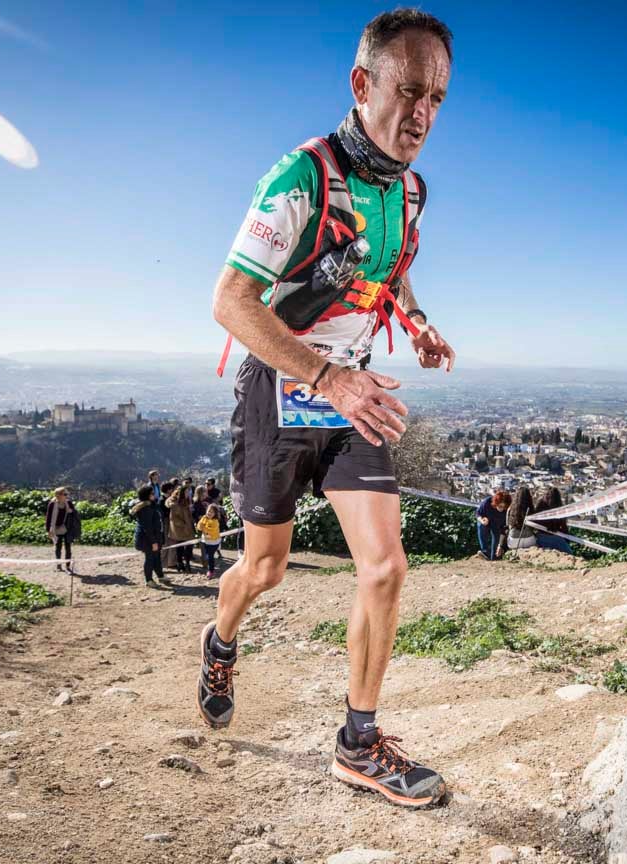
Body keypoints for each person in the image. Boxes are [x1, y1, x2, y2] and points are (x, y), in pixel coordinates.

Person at [197, 8, 457, 809]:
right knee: (265, 568)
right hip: (279, 392)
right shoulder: (300, 176)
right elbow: (231, 301)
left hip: (353, 395)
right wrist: (327, 376)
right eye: (409, 90)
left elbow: (388, 267)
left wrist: (415, 323)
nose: (422, 114)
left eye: (438, 98)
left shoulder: (409, 192)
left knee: (385, 567)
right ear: (363, 83)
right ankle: (220, 639)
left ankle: (358, 743)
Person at [131, 484, 169, 589]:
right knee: (150, 558)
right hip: (147, 539)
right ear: (146, 495)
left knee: (157, 557)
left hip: (156, 537)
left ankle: (160, 576)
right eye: (152, 493)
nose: (155, 495)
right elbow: (147, 527)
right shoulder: (144, 508)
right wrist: (153, 542)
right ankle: (149, 580)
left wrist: (160, 538)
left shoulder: (153, 505)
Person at [44, 487, 80, 573]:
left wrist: (70, 510)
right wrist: (48, 530)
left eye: (67, 494)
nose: (67, 496)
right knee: (58, 547)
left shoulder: (69, 503)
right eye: (65, 494)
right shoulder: (52, 504)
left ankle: (68, 566)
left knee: (68, 548)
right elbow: (48, 518)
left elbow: (74, 513)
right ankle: (59, 565)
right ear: (58, 495)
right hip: (55, 528)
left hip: (67, 528)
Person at [531, 487, 573, 554]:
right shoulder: (559, 508)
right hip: (556, 537)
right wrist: (566, 539)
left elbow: (534, 521)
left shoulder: (540, 504)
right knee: (570, 553)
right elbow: (564, 527)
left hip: (541, 537)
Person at [165, 483, 196, 573]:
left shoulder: (188, 502)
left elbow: (189, 515)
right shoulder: (175, 504)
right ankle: (180, 563)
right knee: (180, 547)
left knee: (189, 546)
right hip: (179, 529)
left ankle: (187, 563)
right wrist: (183, 524)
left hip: (188, 528)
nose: (188, 494)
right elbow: (174, 518)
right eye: (186, 492)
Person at [475, 489, 510, 560]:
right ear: (495, 503)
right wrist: (482, 520)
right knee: (481, 526)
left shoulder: (507, 511)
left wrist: (500, 545)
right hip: (487, 522)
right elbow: (478, 514)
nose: (502, 509)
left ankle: (494, 558)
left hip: (498, 526)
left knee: (496, 550)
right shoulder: (487, 502)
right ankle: (484, 551)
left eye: (504, 507)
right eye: (500, 506)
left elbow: (504, 529)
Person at [503, 487, 538, 552]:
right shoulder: (531, 509)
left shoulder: (510, 510)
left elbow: (508, 525)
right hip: (529, 540)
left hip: (513, 541)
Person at [197, 503, 225, 578]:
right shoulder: (204, 518)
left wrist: (203, 528)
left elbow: (211, 531)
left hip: (213, 542)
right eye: (209, 511)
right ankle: (210, 567)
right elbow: (199, 527)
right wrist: (202, 526)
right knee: (207, 555)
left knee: (210, 556)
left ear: (215, 514)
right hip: (205, 540)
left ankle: (211, 571)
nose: (209, 513)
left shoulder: (215, 522)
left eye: (212, 512)